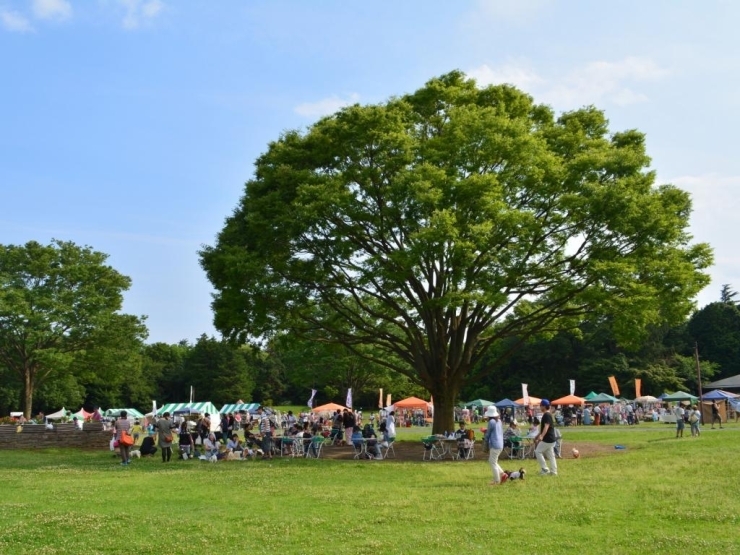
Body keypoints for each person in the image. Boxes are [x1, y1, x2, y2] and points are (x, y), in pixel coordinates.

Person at [483, 406, 505, 485]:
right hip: (500, 444)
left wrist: (485, 440)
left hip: (494, 444)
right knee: (494, 461)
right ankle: (503, 474)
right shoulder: (499, 421)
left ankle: (496, 480)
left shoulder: (491, 421)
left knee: (492, 462)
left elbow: (488, 434)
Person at [534, 399, 558, 476]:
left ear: (544, 406)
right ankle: (554, 472)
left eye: (540, 405)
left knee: (538, 451)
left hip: (547, 439)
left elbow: (546, 426)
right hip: (551, 439)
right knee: (551, 455)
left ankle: (545, 469)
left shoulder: (546, 415)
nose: (540, 407)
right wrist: (537, 435)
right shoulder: (548, 414)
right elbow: (543, 428)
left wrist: (541, 436)